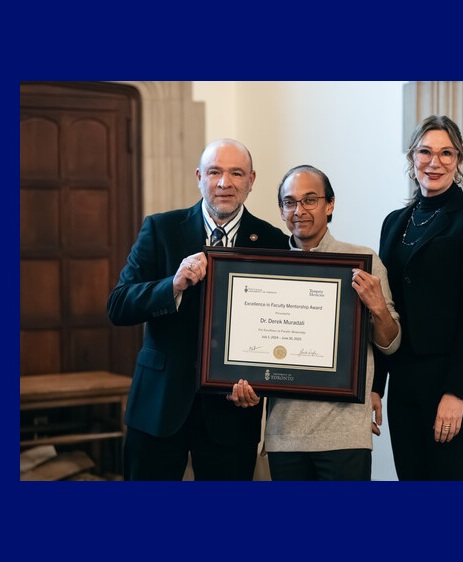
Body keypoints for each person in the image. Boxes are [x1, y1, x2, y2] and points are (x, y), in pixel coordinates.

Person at [107, 139, 289, 481]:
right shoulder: (160, 229)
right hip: (158, 406)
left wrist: (261, 386)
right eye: (215, 172)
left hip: (232, 412)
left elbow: (278, 326)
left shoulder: (273, 242)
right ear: (199, 177)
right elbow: (118, 306)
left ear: (251, 180)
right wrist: (171, 285)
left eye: (236, 173)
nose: (225, 183)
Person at [230, 164, 401, 480]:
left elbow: (391, 343)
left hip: (345, 433)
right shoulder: (267, 267)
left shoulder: (362, 262)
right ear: (281, 211)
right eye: (290, 202)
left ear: (330, 204)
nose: (299, 210)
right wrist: (240, 379)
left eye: (310, 200)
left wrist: (378, 308)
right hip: (285, 434)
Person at [373, 115, 463, 480]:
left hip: (451, 382)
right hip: (405, 381)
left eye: (447, 153)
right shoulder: (394, 221)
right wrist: (375, 385)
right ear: (412, 157)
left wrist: (456, 393)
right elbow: (385, 308)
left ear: (459, 160)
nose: (435, 162)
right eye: (425, 152)